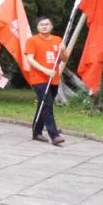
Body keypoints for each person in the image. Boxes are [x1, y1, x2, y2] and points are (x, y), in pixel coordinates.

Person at [26, 16, 70, 145]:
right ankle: (54, 135)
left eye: (47, 24)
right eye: (41, 24)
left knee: (43, 104)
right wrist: (45, 70)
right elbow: (30, 59)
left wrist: (63, 50)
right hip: (39, 78)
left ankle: (36, 132)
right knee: (47, 104)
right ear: (37, 27)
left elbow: (64, 59)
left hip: (54, 78)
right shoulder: (32, 41)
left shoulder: (57, 40)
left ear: (51, 26)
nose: (44, 26)